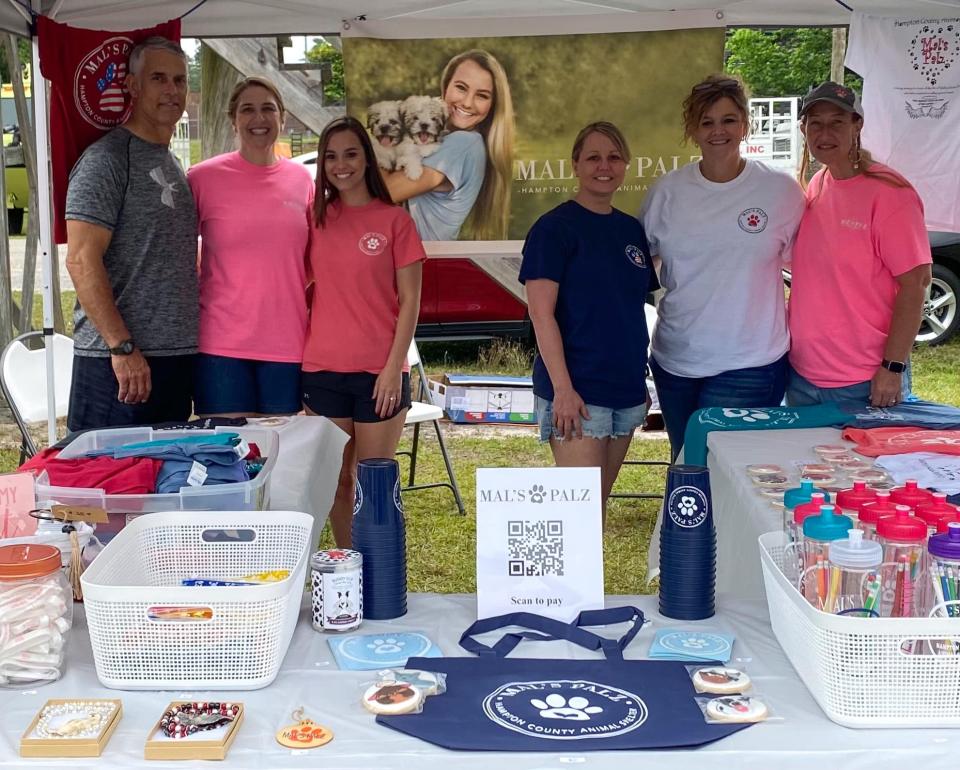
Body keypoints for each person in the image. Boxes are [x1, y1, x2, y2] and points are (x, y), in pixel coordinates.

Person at [640, 74, 805, 459]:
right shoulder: (667, 192)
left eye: (729, 119)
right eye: (707, 121)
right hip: (676, 359)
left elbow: (809, 269)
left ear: (745, 125)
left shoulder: (780, 191)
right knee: (688, 462)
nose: (718, 131)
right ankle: (689, 522)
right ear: (693, 130)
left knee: (730, 470)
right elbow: (640, 265)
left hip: (750, 361)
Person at [520, 122, 659, 521]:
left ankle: (584, 586)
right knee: (579, 517)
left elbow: (629, 310)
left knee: (594, 510)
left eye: (614, 157)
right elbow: (540, 313)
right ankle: (567, 587)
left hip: (625, 390)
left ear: (626, 165)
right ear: (576, 165)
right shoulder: (554, 229)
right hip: (577, 395)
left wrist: (640, 383)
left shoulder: (630, 229)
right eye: (594, 157)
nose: (605, 166)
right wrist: (563, 389)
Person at [303, 116, 426, 547]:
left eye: (350, 153)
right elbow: (295, 284)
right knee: (337, 483)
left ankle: (380, 579)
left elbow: (410, 301)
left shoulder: (395, 221)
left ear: (366, 159)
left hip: (381, 373)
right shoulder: (314, 217)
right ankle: (349, 571)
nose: (341, 165)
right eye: (330, 156)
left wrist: (394, 369)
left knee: (374, 487)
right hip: (322, 371)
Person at [64, 36, 198, 431]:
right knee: (102, 486)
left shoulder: (172, 162)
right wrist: (121, 346)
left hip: (173, 360)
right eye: (159, 78)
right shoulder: (106, 160)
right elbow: (80, 258)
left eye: (179, 80)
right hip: (117, 364)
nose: (172, 90)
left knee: (161, 488)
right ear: (133, 86)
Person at [787, 82, 931, 408]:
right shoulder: (817, 185)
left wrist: (892, 367)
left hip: (864, 381)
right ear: (804, 129)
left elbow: (916, 284)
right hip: (801, 377)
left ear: (857, 125)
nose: (825, 133)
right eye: (816, 123)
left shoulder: (890, 193)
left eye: (837, 122)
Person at [187, 76, 313, 418]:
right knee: (229, 459)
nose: (259, 118)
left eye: (268, 109)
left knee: (285, 457)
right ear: (233, 120)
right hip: (220, 345)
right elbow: (176, 253)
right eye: (248, 110)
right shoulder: (202, 178)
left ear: (283, 119)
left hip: (288, 343)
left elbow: (314, 261)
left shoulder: (302, 181)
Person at [383, 49, 515, 240]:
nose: (468, 103)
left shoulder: (463, 143)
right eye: (461, 88)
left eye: (482, 95)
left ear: (493, 105)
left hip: (425, 263)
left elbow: (385, 191)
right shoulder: (448, 139)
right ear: (445, 87)